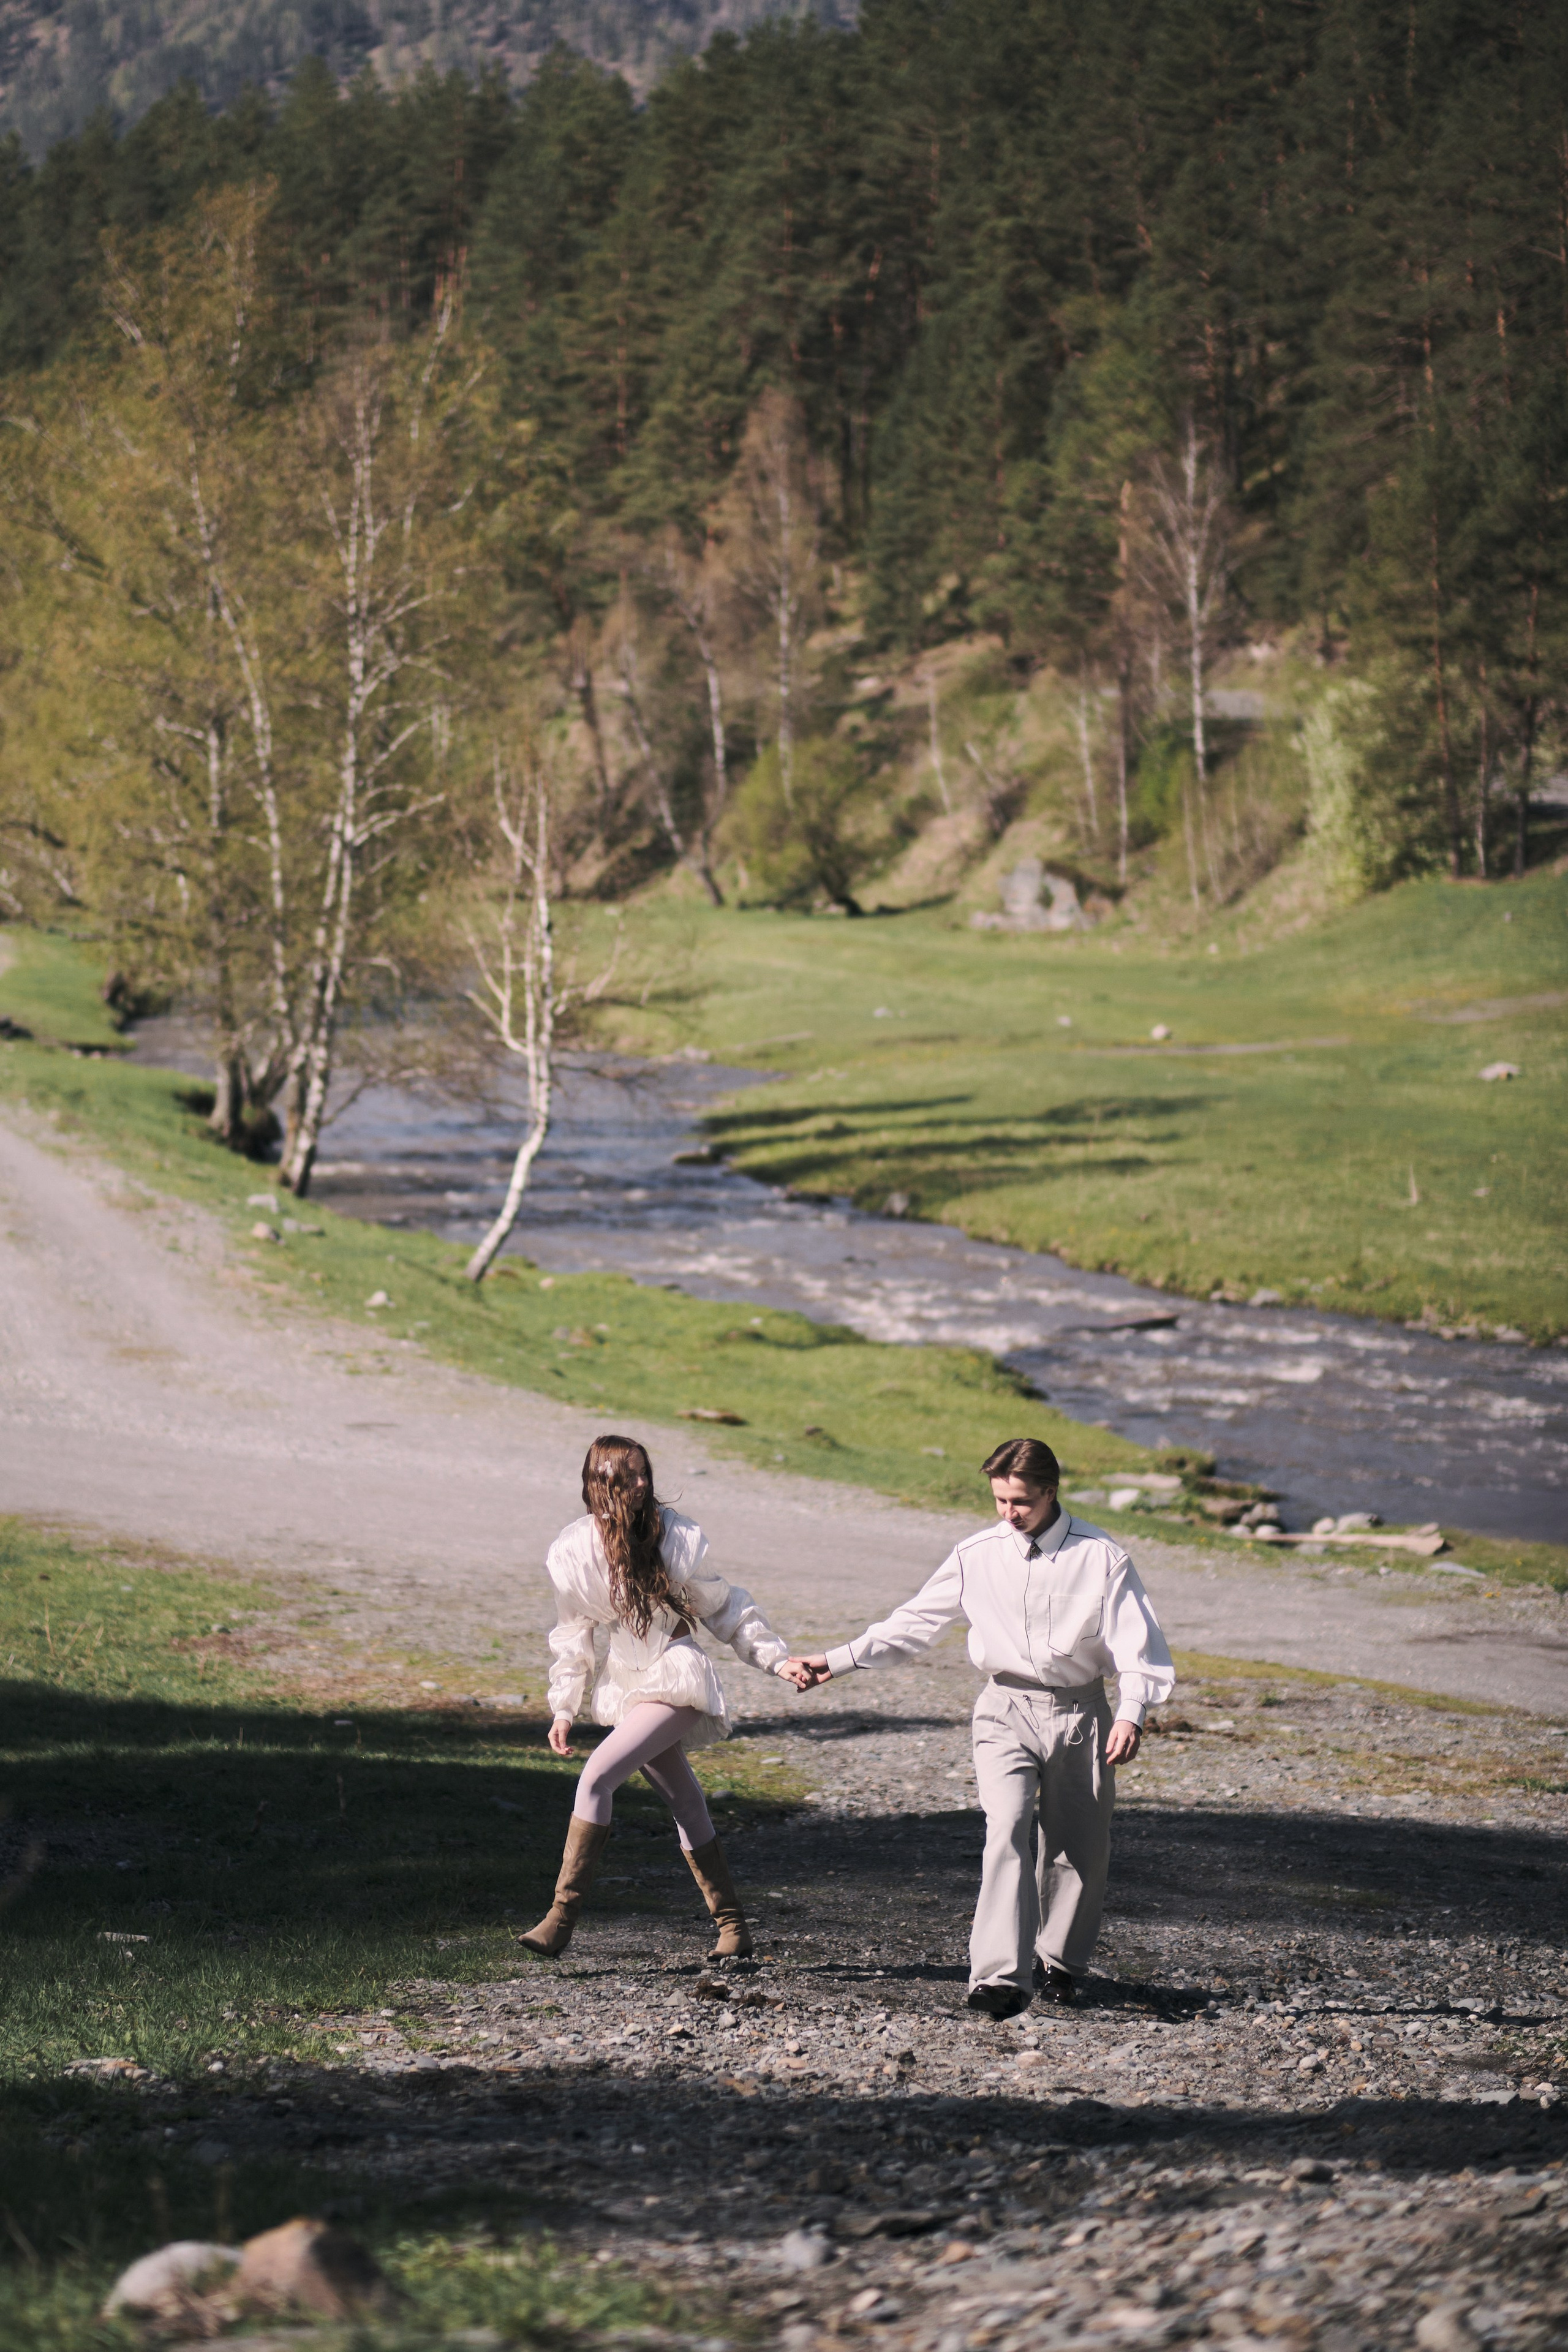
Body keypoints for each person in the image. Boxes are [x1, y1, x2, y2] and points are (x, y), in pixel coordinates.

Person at [790, 1437, 1174, 2019]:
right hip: (1004, 1710)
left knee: (1079, 1848)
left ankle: (1060, 1963)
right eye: (999, 1500)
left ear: (1051, 1491)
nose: (1009, 1514)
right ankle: (998, 1977)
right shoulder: (976, 1553)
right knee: (1008, 1829)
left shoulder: (1102, 1556)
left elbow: (1138, 1646)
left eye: (1020, 1501)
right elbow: (916, 1620)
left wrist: (1131, 1712)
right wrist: (837, 1659)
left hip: (1081, 1713)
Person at [520, 1433, 810, 1962]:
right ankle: (733, 1926)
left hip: (675, 1674)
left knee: (597, 1776)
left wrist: (777, 1659)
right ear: (598, 1484)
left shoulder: (675, 1538)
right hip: (627, 1683)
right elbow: (572, 1634)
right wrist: (563, 1705)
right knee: (685, 1802)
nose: (641, 1484)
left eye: (644, 1473)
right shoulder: (574, 1553)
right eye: (627, 1476)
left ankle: (561, 1918)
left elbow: (726, 1609)